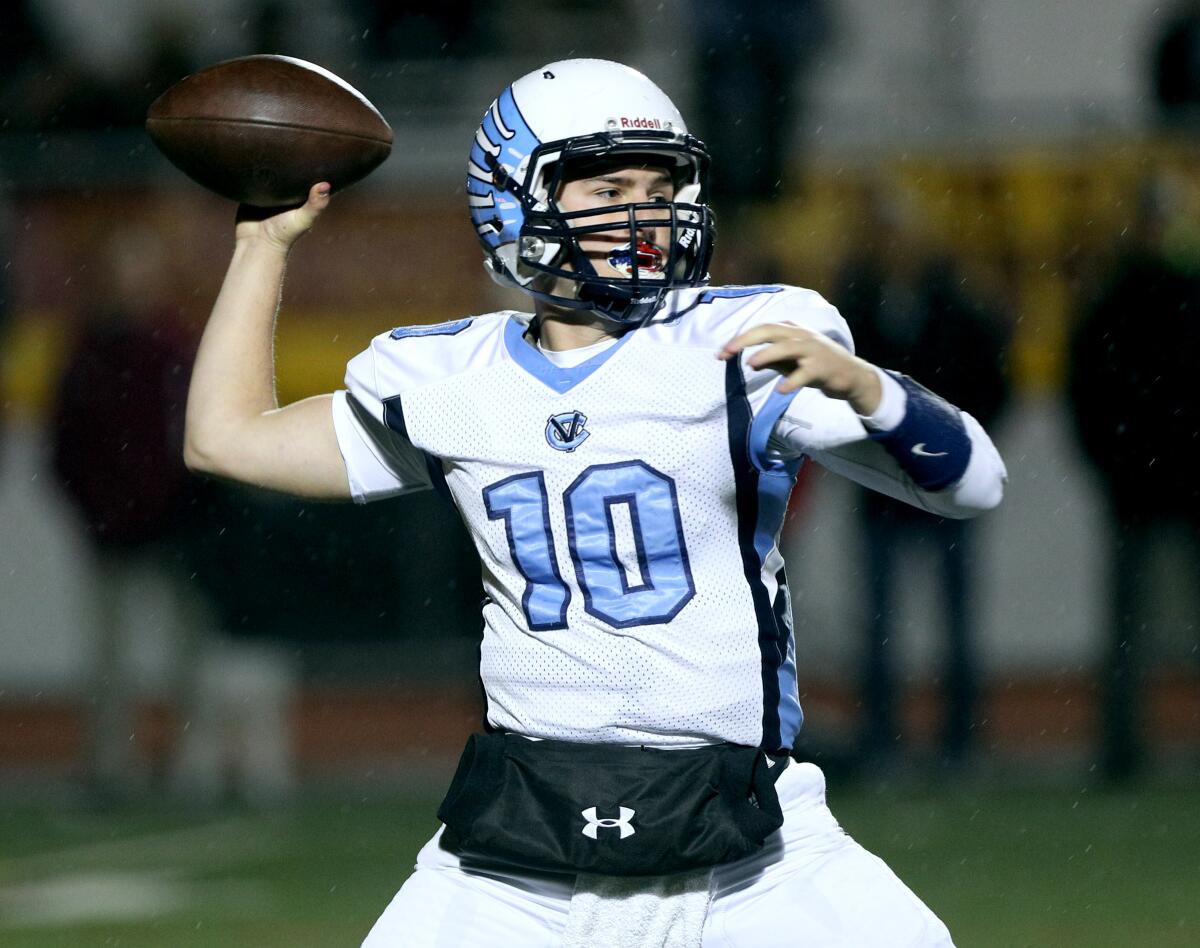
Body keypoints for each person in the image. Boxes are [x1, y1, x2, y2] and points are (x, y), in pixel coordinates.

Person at [184, 59, 1005, 947]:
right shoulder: (450, 375)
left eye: (660, 187)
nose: (646, 216)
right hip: (520, 850)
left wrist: (871, 390)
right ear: (515, 200)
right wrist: (260, 246)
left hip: (752, 845)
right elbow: (224, 439)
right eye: (609, 187)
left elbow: (973, 484)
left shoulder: (734, 342)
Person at [834, 194, 1011, 769]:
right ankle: (883, 738)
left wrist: (950, 451)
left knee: (955, 620)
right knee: (881, 624)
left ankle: (961, 739)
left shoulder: (955, 306)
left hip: (935, 490)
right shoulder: (855, 308)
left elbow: (988, 382)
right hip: (881, 493)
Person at [1067, 174, 1200, 781]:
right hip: (1142, 487)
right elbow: (1089, 396)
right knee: (1126, 627)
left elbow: (1089, 394)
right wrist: (1116, 465)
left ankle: (1123, 751)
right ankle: (1121, 750)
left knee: (1129, 625)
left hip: (1157, 484)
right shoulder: (1125, 302)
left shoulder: (1126, 300)